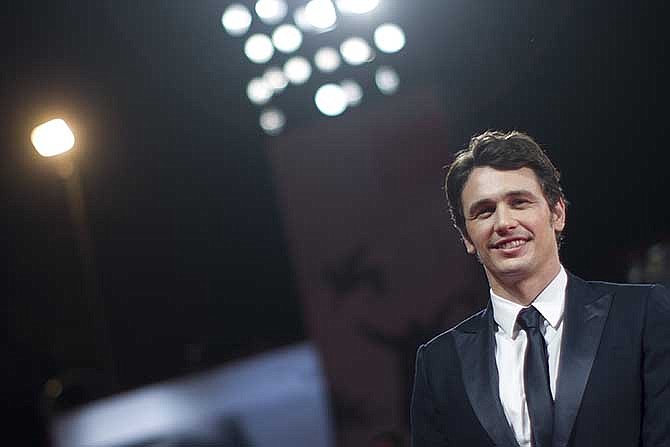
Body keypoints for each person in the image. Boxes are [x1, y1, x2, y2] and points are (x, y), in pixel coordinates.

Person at [410, 130, 670, 447]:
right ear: (467, 237)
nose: (503, 223)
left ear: (557, 213)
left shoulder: (643, 315)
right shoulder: (439, 363)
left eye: (519, 202)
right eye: (484, 211)